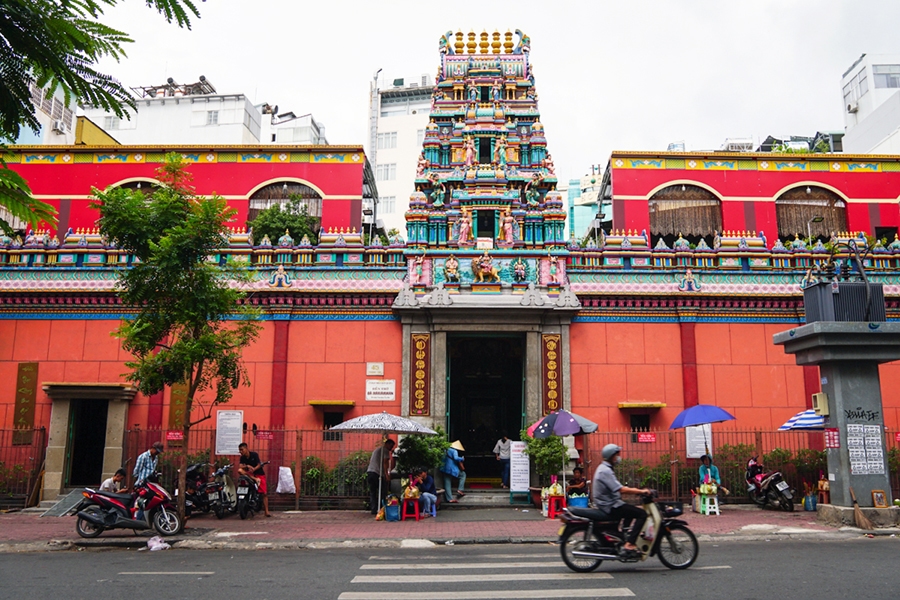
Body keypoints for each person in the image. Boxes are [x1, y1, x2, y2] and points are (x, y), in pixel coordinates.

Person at [592, 444, 650, 558]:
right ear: (611, 456)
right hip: (610, 506)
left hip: (611, 503)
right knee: (642, 514)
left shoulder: (605, 468)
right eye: (617, 454)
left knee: (629, 511)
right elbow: (620, 489)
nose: (619, 457)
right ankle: (629, 543)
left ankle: (624, 536)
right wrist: (641, 491)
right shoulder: (605, 471)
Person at [238, 442, 271, 517]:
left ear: (246, 448)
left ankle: (266, 511)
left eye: (242, 450)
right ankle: (255, 479)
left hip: (259, 473)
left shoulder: (254, 455)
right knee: (239, 470)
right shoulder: (242, 457)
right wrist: (248, 466)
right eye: (239, 450)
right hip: (250, 475)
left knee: (264, 493)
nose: (240, 452)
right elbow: (240, 466)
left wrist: (254, 469)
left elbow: (259, 464)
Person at [367, 439, 395, 515]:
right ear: (387, 444)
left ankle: (374, 509)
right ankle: (383, 508)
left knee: (373, 492)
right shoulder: (385, 450)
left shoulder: (377, 450)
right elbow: (385, 463)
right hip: (377, 473)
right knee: (383, 491)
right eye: (391, 446)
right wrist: (386, 475)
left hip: (370, 471)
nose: (391, 448)